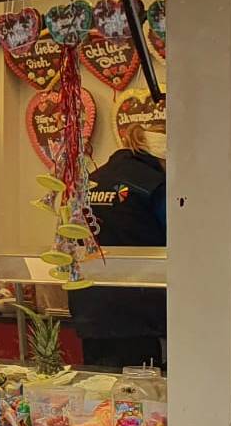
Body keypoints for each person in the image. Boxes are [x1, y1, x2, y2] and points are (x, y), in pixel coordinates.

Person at [68, 124, 167, 367]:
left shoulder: (91, 180)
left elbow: (70, 236)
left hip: (90, 310)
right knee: (142, 386)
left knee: (101, 383)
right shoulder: (154, 185)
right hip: (141, 315)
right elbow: (182, 242)